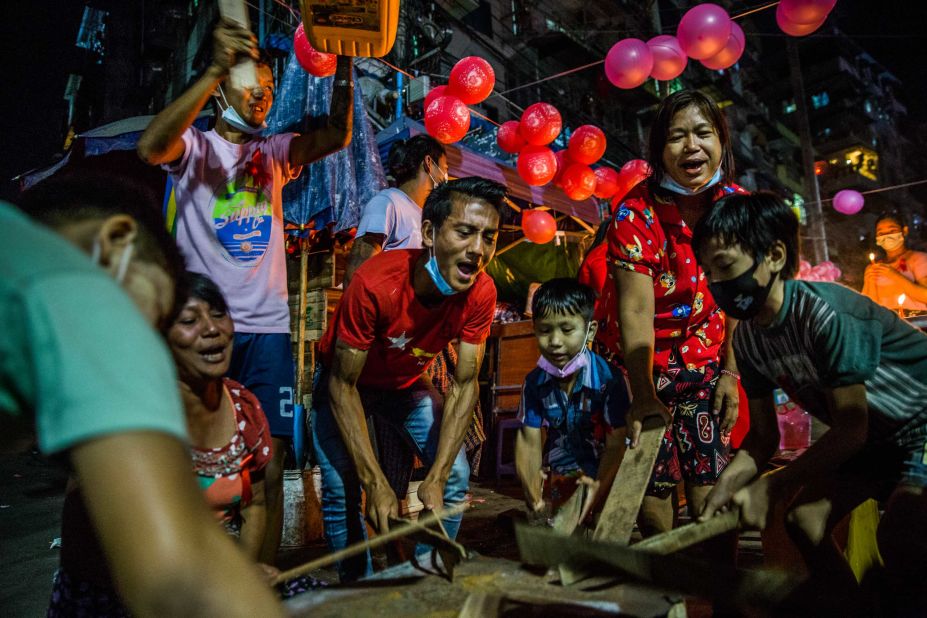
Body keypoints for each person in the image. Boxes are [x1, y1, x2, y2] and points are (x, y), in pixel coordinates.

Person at [5, 173, 282, 616]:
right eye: (156, 316)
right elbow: (176, 581)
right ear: (117, 244)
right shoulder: (73, 289)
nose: (145, 342)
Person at [137, 19, 354, 564]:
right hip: (202, 331)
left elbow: (336, 135)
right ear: (221, 91)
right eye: (251, 84)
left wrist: (349, 62)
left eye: (269, 88)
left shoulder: (274, 153)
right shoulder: (194, 147)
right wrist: (212, 67)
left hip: (267, 329)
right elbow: (150, 147)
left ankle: (262, 575)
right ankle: (194, 571)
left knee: (271, 462)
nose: (263, 95)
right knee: (193, 459)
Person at [695, 192, 927, 615]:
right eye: (708, 273)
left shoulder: (824, 314)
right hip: (876, 439)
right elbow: (763, 436)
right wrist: (723, 490)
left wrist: (774, 485)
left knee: (903, 531)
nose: (716, 284)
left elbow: (850, 427)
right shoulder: (747, 339)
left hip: (920, 424)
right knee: (805, 519)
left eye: (725, 266)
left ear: (775, 255)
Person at [312, 177, 503, 581]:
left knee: (454, 475)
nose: (478, 250)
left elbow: (466, 384)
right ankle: (358, 594)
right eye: (465, 232)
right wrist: (374, 481)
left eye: (489, 237)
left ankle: (423, 583)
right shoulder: (374, 284)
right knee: (341, 486)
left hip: (403, 383)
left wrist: (434, 477)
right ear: (430, 233)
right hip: (345, 383)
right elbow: (342, 386)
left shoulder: (482, 292)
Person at [601, 89, 745, 538]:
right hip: (641, 370)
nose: (692, 147)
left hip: (706, 367)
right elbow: (636, 309)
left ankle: (721, 594)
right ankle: (671, 597)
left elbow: (741, 296)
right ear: (659, 150)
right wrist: (643, 394)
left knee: (710, 490)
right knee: (652, 494)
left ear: (721, 140)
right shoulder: (634, 213)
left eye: (703, 133)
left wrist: (732, 373)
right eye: (676, 137)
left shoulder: (738, 207)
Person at [167, 272, 273, 563]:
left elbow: (255, 505)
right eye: (189, 321)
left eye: (218, 315)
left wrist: (245, 573)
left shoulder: (245, 408)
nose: (212, 328)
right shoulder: (137, 416)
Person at [515, 278, 629, 523]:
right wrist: (534, 500)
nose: (555, 342)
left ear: (591, 329)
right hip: (563, 477)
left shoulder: (608, 379)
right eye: (545, 330)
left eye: (567, 330)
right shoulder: (534, 383)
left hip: (610, 474)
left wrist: (596, 497)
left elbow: (616, 445)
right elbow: (528, 443)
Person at [342, 134, 448, 287]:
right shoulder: (387, 203)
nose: (446, 177)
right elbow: (355, 277)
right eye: (445, 169)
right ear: (429, 163)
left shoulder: (427, 218)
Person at [862, 213, 927, 312]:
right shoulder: (873, 267)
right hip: (886, 323)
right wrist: (870, 281)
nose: (887, 236)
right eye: (881, 233)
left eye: (892, 231)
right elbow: (867, 306)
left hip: (914, 322)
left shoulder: (917, 258)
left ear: (904, 231)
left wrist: (894, 276)